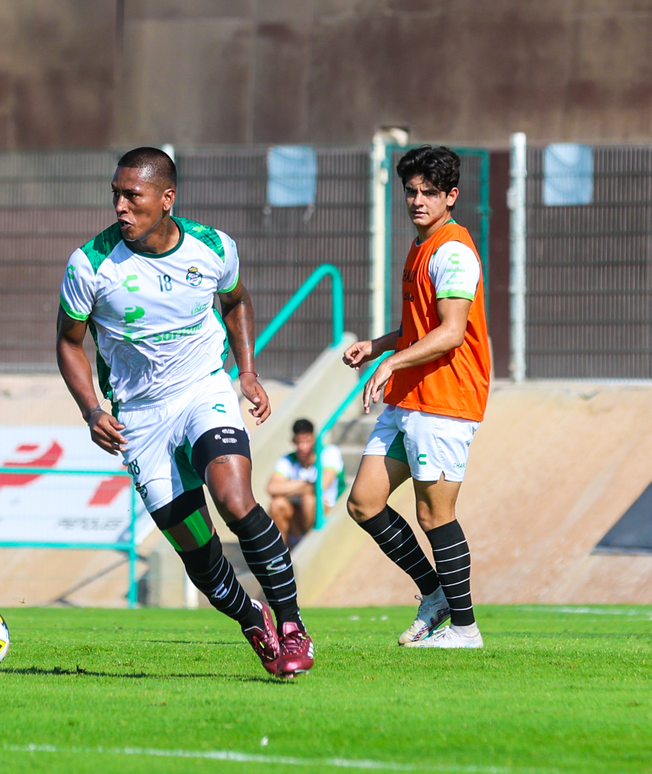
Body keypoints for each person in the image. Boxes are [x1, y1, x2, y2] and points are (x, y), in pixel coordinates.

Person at [56, 146, 313, 677]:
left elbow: (235, 301)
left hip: (204, 389)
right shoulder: (91, 263)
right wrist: (90, 409)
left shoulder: (213, 247)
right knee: (198, 552)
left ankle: (291, 625)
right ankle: (253, 621)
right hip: (140, 419)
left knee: (236, 500)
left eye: (133, 196)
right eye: (116, 195)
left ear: (166, 199)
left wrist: (246, 371)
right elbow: (68, 343)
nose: (121, 207)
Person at [342, 145, 491, 649]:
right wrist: (379, 346)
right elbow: (417, 327)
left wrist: (391, 363)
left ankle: (466, 630)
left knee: (435, 515)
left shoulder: (452, 250)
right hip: (411, 398)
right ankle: (434, 595)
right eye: (411, 190)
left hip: (445, 399)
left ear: (451, 196)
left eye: (430, 192)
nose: (418, 200)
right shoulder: (420, 246)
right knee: (364, 502)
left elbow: (450, 332)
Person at [267, 418, 344, 547]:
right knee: (277, 504)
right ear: (293, 441)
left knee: (309, 500)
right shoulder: (288, 459)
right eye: (298, 442)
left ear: (314, 438)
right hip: (299, 513)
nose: (303, 447)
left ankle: (309, 545)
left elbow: (319, 487)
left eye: (307, 441)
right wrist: (305, 484)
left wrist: (290, 488)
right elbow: (272, 488)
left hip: (330, 510)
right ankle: (281, 552)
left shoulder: (329, 453)